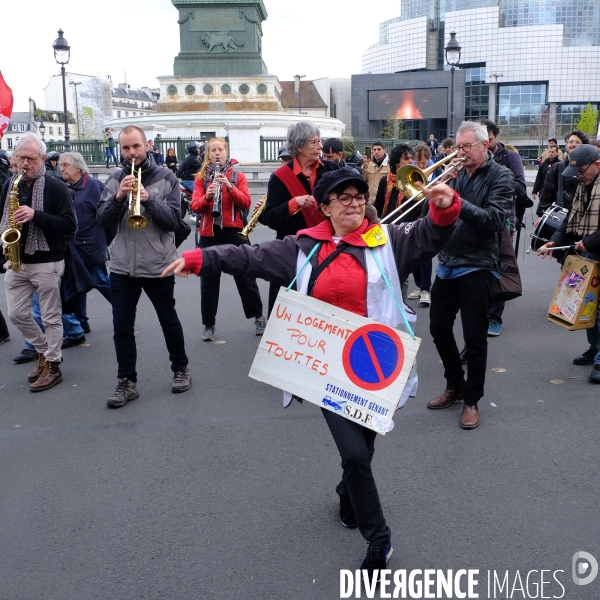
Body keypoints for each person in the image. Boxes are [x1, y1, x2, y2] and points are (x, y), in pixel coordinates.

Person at [161, 167, 462, 581]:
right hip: (326, 369)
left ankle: (346, 492)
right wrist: (201, 257)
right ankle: (380, 540)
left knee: (364, 450)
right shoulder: (303, 246)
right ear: (324, 207)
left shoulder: (388, 241)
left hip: (376, 369)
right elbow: (251, 257)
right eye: (343, 197)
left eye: (359, 195)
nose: (354, 202)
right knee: (355, 453)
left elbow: (431, 234)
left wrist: (444, 209)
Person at [427, 121, 514, 429]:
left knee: (475, 339)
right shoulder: (457, 174)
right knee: (438, 327)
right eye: (458, 147)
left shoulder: (501, 176)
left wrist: (456, 201)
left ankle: (472, 400)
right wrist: (443, 187)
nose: (460, 153)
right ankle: (455, 385)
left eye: (465, 147)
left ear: (483, 146)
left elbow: (492, 220)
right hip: (449, 262)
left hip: (478, 265)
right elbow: (438, 215)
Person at [97, 125, 191, 407]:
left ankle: (181, 368)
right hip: (123, 265)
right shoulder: (115, 179)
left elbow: (175, 221)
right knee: (122, 325)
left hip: (159, 263)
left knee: (168, 319)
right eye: (125, 148)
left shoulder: (167, 177)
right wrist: (117, 199)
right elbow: (102, 221)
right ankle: (127, 381)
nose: (131, 153)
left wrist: (149, 200)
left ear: (147, 145)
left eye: (136, 146)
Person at [0, 132, 76, 391]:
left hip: (48, 260)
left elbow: (69, 225)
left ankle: (53, 366)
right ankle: (45, 352)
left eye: (31, 159)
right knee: (17, 314)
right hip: (17, 260)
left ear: (42, 159)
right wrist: (3, 239)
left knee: (51, 316)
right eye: (20, 157)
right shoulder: (11, 184)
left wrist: (36, 215)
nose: (25, 164)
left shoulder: (56, 186)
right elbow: (2, 218)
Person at [190, 137, 266, 341]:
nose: (216, 153)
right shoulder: (201, 178)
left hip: (233, 232)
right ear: (208, 154)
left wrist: (230, 188)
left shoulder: (238, 176)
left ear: (226, 152)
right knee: (208, 282)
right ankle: (209, 324)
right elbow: (195, 206)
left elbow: (246, 203)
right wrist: (208, 196)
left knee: (246, 277)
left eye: (220, 150)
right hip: (209, 234)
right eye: (213, 150)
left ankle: (258, 316)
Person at [262, 121, 339, 314]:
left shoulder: (330, 170)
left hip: (328, 249)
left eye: (319, 141)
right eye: (315, 142)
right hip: (293, 251)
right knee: (289, 311)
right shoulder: (280, 177)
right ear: (299, 146)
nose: (320, 146)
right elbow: (270, 217)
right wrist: (293, 203)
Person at [538, 144, 600, 382]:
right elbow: (568, 221)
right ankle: (594, 349)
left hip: (595, 249)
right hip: (589, 255)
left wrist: (590, 241)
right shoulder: (583, 185)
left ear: (597, 164)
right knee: (590, 306)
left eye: (581, 171)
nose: (578, 176)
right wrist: (553, 242)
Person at [478, 118, 527, 338]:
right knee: (480, 268)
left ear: (495, 137)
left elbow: (521, 187)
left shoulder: (510, 156)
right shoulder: (472, 155)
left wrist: (496, 179)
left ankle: (495, 317)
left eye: (489, 140)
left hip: (503, 220)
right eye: (482, 140)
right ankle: (480, 311)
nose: (485, 144)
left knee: (500, 268)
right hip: (477, 219)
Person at [59, 152, 112, 333]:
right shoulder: (66, 187)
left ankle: (124, 308)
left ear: (78, 168)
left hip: (91, 246)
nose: (61, 168)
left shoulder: (94, 186)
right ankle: (82, 321)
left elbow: (109, 217)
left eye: (66, 165)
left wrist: (107, 241)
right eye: (61, 165)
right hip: (73, 247)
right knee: (77, 284)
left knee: (100, 281)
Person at [537, 130, 590, 221]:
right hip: (559, 218)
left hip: (583, 219)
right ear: (566, 146)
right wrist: (540, 214)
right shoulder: (557, 167)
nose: (573, 144)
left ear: (584, 146)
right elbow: (546, 194)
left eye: (577, 142)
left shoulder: (590, 168)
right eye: (570, 141)